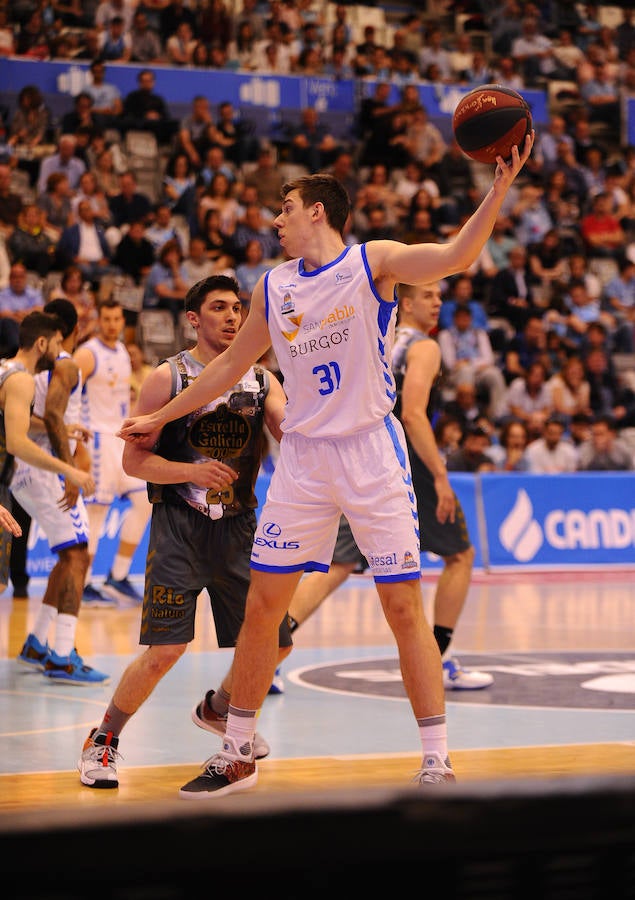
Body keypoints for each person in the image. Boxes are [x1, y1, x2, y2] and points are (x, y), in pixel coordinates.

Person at [119, 138, 533, 799]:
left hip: (370, 451)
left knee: (402, 608)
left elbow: (457, 256)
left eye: (284, 209)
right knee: (262, 608)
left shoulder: (375, 263)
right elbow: (228, 367)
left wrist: (496, 192)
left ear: (317, 211)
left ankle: (435, 759)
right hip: (304, 461)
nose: (274, 221)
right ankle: (235, 754)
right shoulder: (274, 285)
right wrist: (160, 417)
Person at [78, 275, 292, 788]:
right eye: (219, 308)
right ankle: (103, 740)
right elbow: (134, 461)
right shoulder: (167, 377)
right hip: (179, 527)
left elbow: (292, 434)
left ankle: (220, 708)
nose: (232, 316)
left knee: (275, 642)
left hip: (240, 528)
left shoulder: (262, 380)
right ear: (194, 319)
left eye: (238, 308)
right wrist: (189, 472)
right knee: (165, 651)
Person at [273, 282, 493, 696]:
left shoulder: (376, 338)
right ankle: (440, 658)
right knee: (461, 555)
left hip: (355, 455)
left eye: (439, 296)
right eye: (429, 296)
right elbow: (412, 413)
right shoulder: (424, 348)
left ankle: (270, 654)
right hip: (403, 458)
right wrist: (441, 477)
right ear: (405, 303)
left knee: (338, 566)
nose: (438, 302)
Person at [13, 299, 108, 684]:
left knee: (68, 555)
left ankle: (37, 642)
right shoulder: (66, 363)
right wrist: (69, 470)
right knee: (78, 556)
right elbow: (53, 413)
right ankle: (63, 655)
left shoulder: (31, 367)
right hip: (45, 470)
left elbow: (37, 418)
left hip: (23, 470)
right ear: (74, 327)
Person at [0, 311, 94, 600]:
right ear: (42, 343)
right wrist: (71, 470)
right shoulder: (22, 381)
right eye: (56, 344)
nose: (59, 352)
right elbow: (18, 443)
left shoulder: (5, 369)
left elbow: (18, 420)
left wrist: (64, 429)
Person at [73, 298, 152, 606]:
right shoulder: (87, 353)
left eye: (117, 319)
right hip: (95, 439)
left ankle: (117, 576)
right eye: (106, 319)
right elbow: (67, 394)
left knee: (144, 501)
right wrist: (76, 441)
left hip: (120, 438)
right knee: (96, 513)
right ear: (99, 320)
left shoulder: (121, 351)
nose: (112, 324)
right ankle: (84, 584)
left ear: (123, 322)